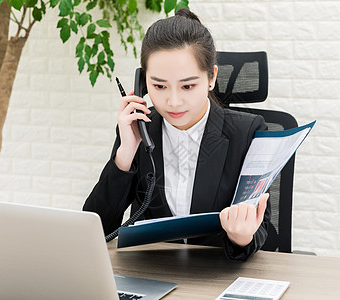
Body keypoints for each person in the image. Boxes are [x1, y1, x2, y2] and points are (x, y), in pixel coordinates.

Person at [83, 9, 272, 261]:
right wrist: (125, 153)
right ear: (142, 82)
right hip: (150, 275)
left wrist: (241, 236)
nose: (173, 101)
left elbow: (261, 228)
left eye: (188, 86)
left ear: (211, 77)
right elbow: (95, 229)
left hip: (217, 276)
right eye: (159, 86)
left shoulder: (249, 133)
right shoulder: (140, 129)